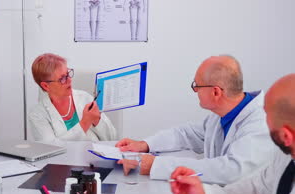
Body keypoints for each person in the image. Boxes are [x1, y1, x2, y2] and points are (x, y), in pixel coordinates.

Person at [149, 73, 295, 194]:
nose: (263, 121)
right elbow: (257, 190)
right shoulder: (286, 156)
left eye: (266, 114)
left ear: (286, 136)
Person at [116, 55, 273, 184]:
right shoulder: (221, 116)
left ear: (216, 92)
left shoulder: (260, 123)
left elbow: (231, 170)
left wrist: (156, 165)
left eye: (197, 85)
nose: (195, 90)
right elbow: (185, 134)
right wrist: (145, 145)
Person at [29, 53, 117, 143]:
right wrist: (85, 122)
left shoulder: (85, 98)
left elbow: (112, 138)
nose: (69, 80)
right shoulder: (37, 114)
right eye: (62, 78)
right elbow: (50, 148)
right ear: (46, 86)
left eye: (68, 74)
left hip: (95, 155)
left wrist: (97, 120)